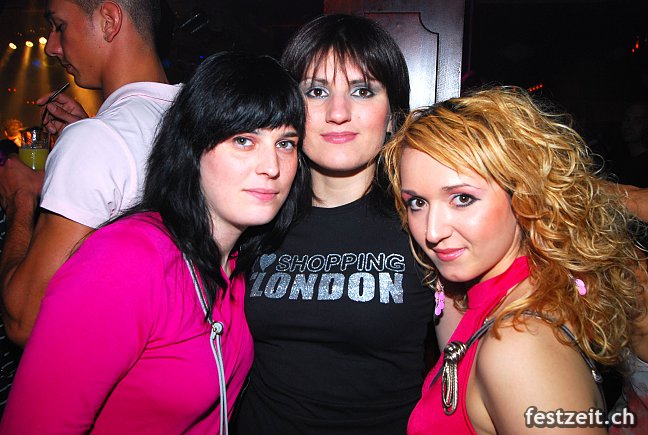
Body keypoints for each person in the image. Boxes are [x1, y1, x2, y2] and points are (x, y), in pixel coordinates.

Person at [0, 50, 307, 434]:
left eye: (285, 143)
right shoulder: (126, 261)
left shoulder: (238, 263)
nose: (272, 167)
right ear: (192, 148)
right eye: (244, 140)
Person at [383, 87, 647, 434]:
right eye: (417, 203)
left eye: (462, 198)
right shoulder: (486, 296)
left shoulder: (519, 348)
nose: (432, 231)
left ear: (524, 195)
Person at [231, 14, 435, 434]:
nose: (338, 112)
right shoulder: (254, 219)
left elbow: (466, 368)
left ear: (392, 115)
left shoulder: (425, 225)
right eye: (316, 91)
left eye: (362, 91)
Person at [0, 0, 180, 347]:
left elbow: (25, 321)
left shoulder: (98, 141)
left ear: (109, 20)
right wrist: (91, 136)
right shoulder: (199, 115)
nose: (51, 47)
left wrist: (20, 199)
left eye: (60, 26)